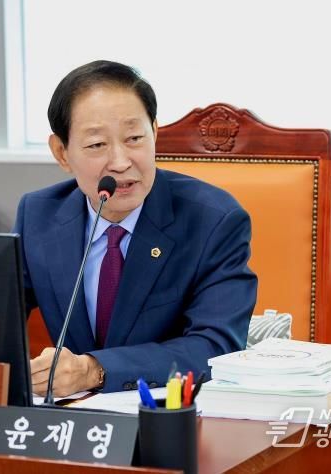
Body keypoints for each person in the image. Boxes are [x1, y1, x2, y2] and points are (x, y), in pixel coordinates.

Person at [14, 60, 257, 397]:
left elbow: (215, 347)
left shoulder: (214, 221)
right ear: (62, 152)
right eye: (97, 145)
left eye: (134, 138)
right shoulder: (39, 215)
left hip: (171, 413)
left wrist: (95, 370)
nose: (120, 162)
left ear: (154, 133)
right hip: (72, 417)